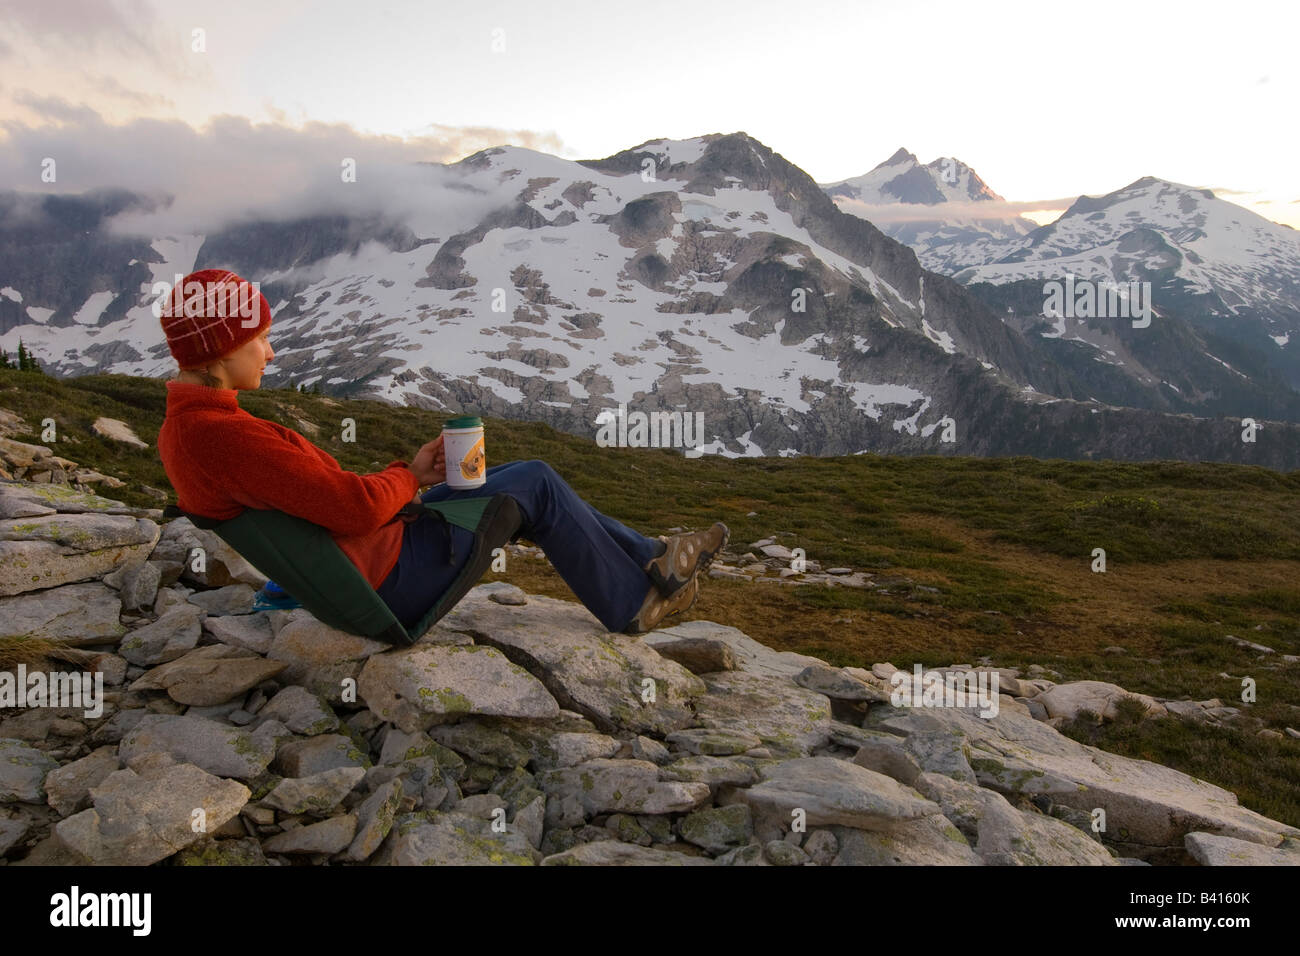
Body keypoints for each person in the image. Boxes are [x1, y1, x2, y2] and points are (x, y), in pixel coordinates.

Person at [155, 268, 728, 635]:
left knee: (516, 477)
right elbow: (351, 510)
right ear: (222, 347)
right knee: (536, 483)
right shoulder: (222, 436)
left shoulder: (192, 427)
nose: (271, 353)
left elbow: (314, 505)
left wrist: (415, 478)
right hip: (391, 579)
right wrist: (406, 475)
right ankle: (634, 599)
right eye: (259, 339)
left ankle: (656, 555)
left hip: (367, 565)